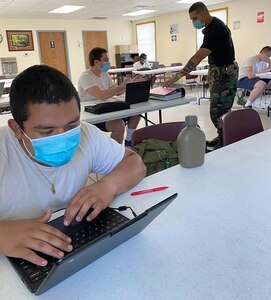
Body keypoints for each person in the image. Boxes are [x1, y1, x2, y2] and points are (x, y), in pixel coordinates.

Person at [0, 65, 146, 267]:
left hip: (73, 246)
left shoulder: (86, 134)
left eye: (71, 126)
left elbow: (134, 163)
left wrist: (107, 185)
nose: (62, 137)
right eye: (47, 131)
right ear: (17, 128)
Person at [164, 2, 238, 150]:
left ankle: (226, 141)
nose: (194, 22)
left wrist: (176, 77)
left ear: (204, 13)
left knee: (217, 111)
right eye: (191, 19)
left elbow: (197, 58)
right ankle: (222, 137)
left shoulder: (215, 30)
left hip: (224, 73)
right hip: (220, 71)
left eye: (195, 18)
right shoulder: (212, 26)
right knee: (220, 109)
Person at [78, 47, 144, 147]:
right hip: (94, 115)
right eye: (106, 60)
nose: (108, 62)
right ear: (96, 62)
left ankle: (129, 141)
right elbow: (101, 95)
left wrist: (130, 84)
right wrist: (123, 86)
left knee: (136, 113)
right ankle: (115, 155)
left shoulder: (104, 75)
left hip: (108, 108)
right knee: (118, 125)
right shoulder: (85, 77)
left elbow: (116, 92)